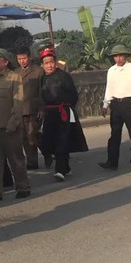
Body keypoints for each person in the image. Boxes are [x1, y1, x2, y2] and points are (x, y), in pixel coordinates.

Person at [0, 48, 29, 201]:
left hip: (11, 127)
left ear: (5, 61)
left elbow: (18, 103)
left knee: (15, 158)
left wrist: (13, 124)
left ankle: (23, 186)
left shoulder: (14, 77)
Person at [38, 48, 88, 181]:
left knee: (62, 139)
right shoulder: (41, 78)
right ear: (42, 65)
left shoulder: (64, 76)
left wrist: (67, 106)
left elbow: (73, 95)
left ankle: (60, 170)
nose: (49, 65)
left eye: (51, 62)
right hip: (49, 113)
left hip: (63, 112)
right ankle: (65, 167)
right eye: (46, 63)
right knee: (48, 140)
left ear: (55, 62)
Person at [100, 45, 131, 171]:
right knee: (114, 133)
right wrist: (105, 104)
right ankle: (112, 161)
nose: (118, 59)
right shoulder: (111, 70)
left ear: (126, 56)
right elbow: (109, 88)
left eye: (121, 56)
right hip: (116, 103)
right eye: (116, 56)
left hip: (129, 102)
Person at [15, 46, 44, 169]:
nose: (22, 61)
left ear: (29, 58)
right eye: (19, 59)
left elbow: (43, 90)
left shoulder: (38, 71)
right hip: (20, 110)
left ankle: (46, 152)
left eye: (24, 58)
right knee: (24, 138)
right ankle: (32, 161)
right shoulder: (15, 73)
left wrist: (42, 108)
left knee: (33, 135)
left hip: (34, 109)